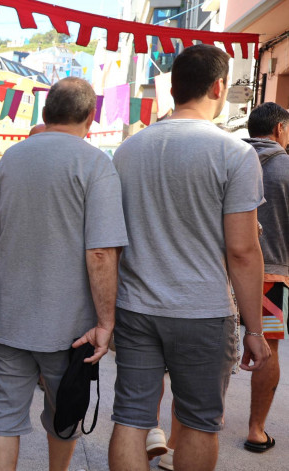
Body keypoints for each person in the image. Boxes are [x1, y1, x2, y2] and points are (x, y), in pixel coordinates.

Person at [107, 44, 271, 471]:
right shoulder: (234, 153)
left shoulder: (127, 151)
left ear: (173, 89)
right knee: (200, 422)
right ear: (218, 86)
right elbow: (242, 249)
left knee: (130, 419)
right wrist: (255, 327)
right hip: (202, 311)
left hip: (136, 307)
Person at [0, 77, 127, 471]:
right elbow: (100, 252)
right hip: (69, 326)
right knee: (65, 413)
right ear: (90, 116)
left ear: (45, 113)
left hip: (11, 314)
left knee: (5, 415)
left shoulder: (11, 158)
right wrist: (106, 321)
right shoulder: (95, 162)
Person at [243, 102, 289, 454]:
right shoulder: (287, 167)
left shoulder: (230, 159)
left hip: (221, 272)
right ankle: (256, 430)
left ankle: (208, 417)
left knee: (216, 347)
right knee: (267, 349)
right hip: (270, 276)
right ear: (280, 130)